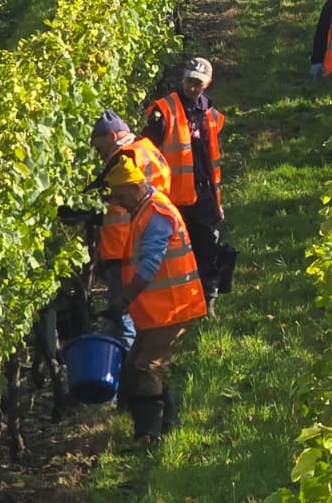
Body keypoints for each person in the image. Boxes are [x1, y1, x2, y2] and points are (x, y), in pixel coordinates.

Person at [102, 149, 207, 446]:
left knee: (147, 367)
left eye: (120, 196)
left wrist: (125, 299)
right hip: (159, 309)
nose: (117, 203)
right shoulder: (145, 210)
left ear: (135, 188)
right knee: (142, 364)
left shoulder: (157, 214)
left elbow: (150, 264)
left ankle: (150, 437)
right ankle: (166, 426)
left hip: (173, 307)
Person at [144, 58, 226, 315]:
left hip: (204, 192)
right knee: (174, 253)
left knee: (207, 248)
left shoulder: (211, 114)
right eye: (190, 81)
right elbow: (148, 150)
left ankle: (208, 299)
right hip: (173, 196)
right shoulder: (164, 110)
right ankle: (178, 303)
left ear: (208, 84)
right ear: (183, 79)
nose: (193, 87)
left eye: (198, 83)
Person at [91, 110, 171, 348]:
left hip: (124, 245)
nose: (101, 155)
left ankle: (125, 374)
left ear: (113, 135)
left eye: (101, 149)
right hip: (142, 239)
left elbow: (120, 197)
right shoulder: (149, 149)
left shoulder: (124, 157)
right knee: (134, 314)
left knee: (124, 316)